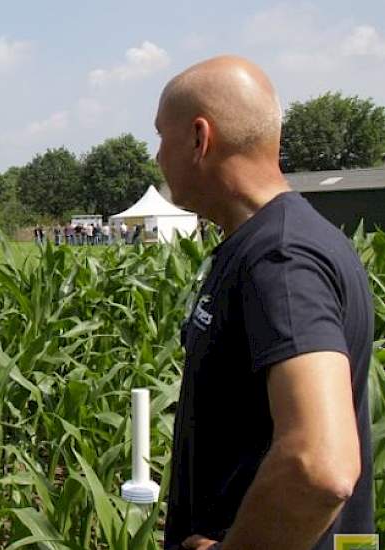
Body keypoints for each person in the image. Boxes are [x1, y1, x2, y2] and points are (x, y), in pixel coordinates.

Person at [158, 56, 374, 550]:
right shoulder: (280, 239)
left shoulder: (280, 257)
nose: (157, 158)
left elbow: (321, 466)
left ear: (198, 138)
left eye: (159, 136)